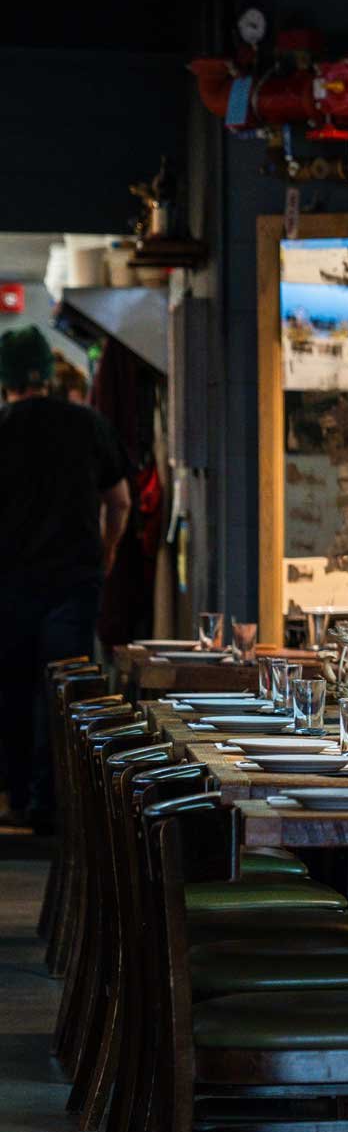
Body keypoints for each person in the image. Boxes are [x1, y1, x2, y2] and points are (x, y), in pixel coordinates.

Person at [0, 326, 130, 832]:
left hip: (9, 586)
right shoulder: (87, 423)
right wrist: (108, 551)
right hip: (74, 584)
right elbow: (120, 502)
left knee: (13, 691)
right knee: (62, 693)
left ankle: (15, 798)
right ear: (47, 376)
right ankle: (51, 806)